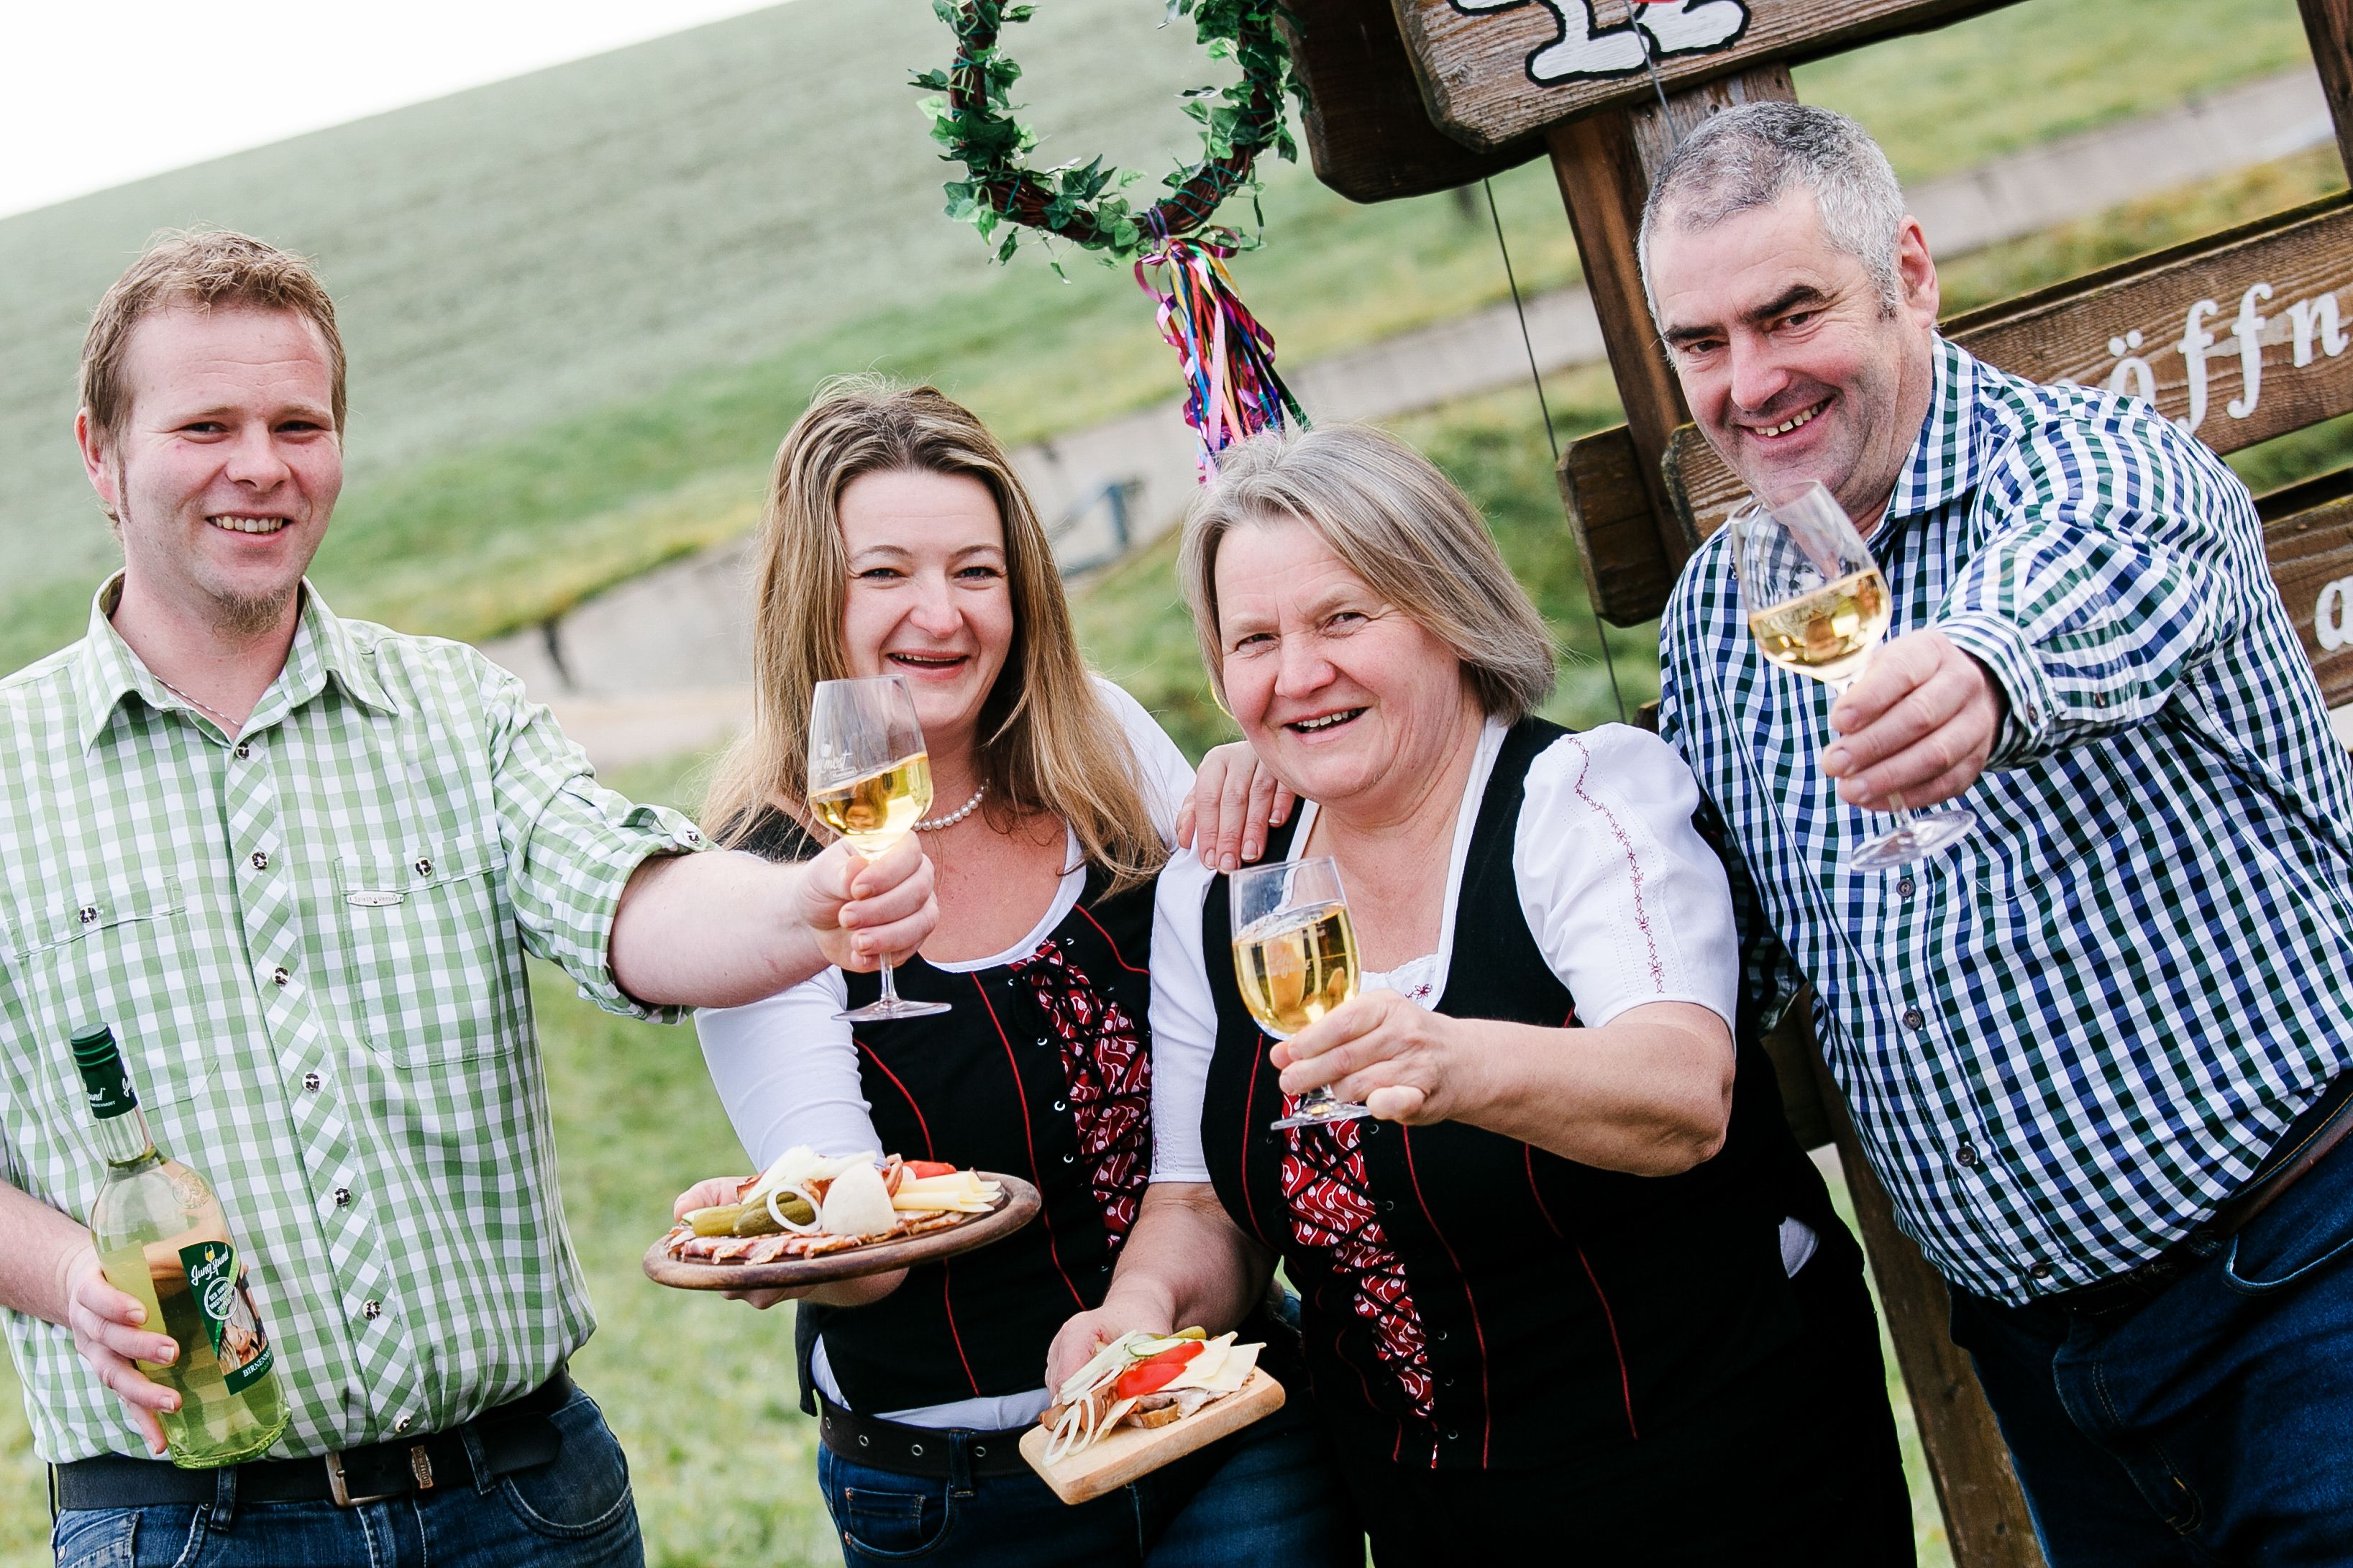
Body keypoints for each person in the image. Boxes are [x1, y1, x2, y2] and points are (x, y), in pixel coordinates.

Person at [1, 231, 937, 1568]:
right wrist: (72, 1279)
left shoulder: (455, 708)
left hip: (523, 1504)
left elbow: (634, 900)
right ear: (100, 453)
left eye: (298, 423)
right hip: (182, 1528)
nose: (260, 465)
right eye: (205, 424)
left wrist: (809, 905)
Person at [1645, 102, 2353, 1564]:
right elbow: (1715, 937)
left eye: (1790, 314)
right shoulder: (1717, 615)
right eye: (1701, 344)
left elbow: (2083, 592)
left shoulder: (2099, 470)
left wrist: (1975, 675)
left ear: (1907, 271)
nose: (1749, 383)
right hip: (2042, 1363)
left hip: (2305, 1274)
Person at [1051, 423, 1914, 1565]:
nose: (1297, 673)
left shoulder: (1580, 800)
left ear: (1448, 612)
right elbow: (1197, 1202)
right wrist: (1145, 1312)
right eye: (1253, 638)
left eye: (1343, 618)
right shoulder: (1219, 886)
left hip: (1717, 1472)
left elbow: (1682, 1092)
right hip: (1428, 1510)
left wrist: (1452, 1062)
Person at [680, 378, 1357, 1567]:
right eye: (883, 572)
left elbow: (1243, 980)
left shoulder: (1096, 740)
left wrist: (1249, 785)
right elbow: (866, 1251)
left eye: (977, 571)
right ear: (808, 598)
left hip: (1222, 1419)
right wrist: (798, 1249)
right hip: (967, 1498)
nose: (938, 614)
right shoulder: (759, 875)